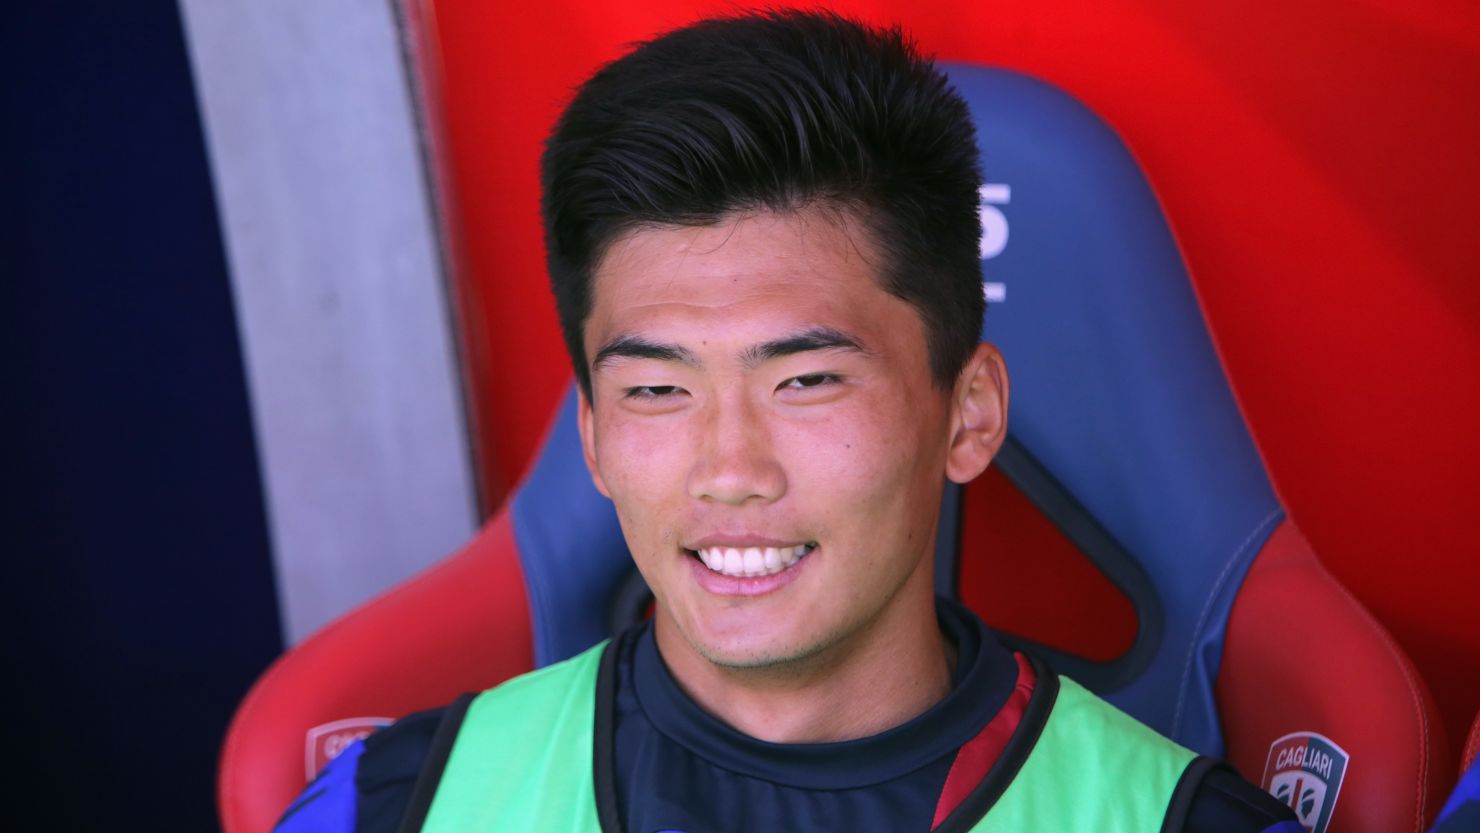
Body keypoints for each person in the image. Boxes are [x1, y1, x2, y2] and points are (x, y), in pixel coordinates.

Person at [273, 11, 1302, 832]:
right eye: (657, 389)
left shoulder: (1175, 819)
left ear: (969, 411)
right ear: (590, 435)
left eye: (805, 379)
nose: (729, 468)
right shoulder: (392, 805)